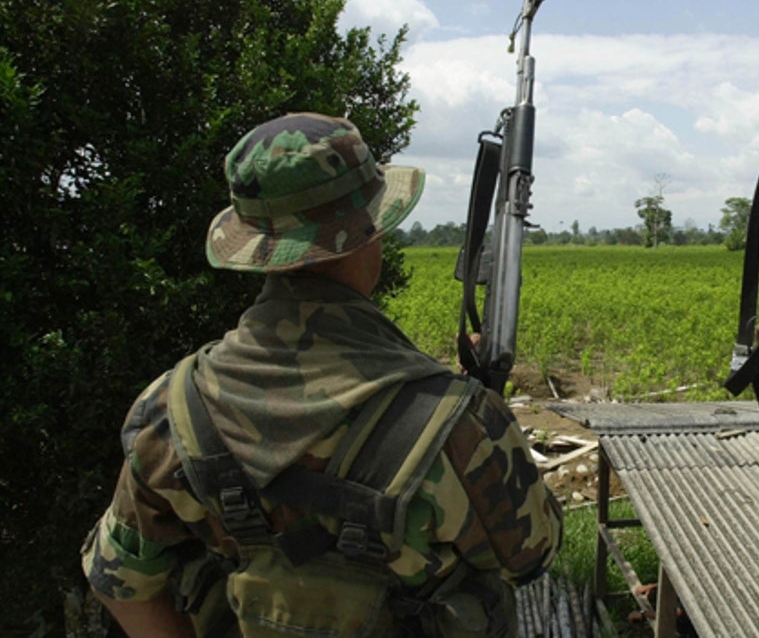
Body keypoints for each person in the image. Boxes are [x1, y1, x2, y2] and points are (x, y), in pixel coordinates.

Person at [81, 112, 562, 637]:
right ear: (369, 235)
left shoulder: (170, 410)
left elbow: (118, 581)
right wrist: (468, 406)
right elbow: (532, 555)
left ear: (258, 252)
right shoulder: (463, 424)